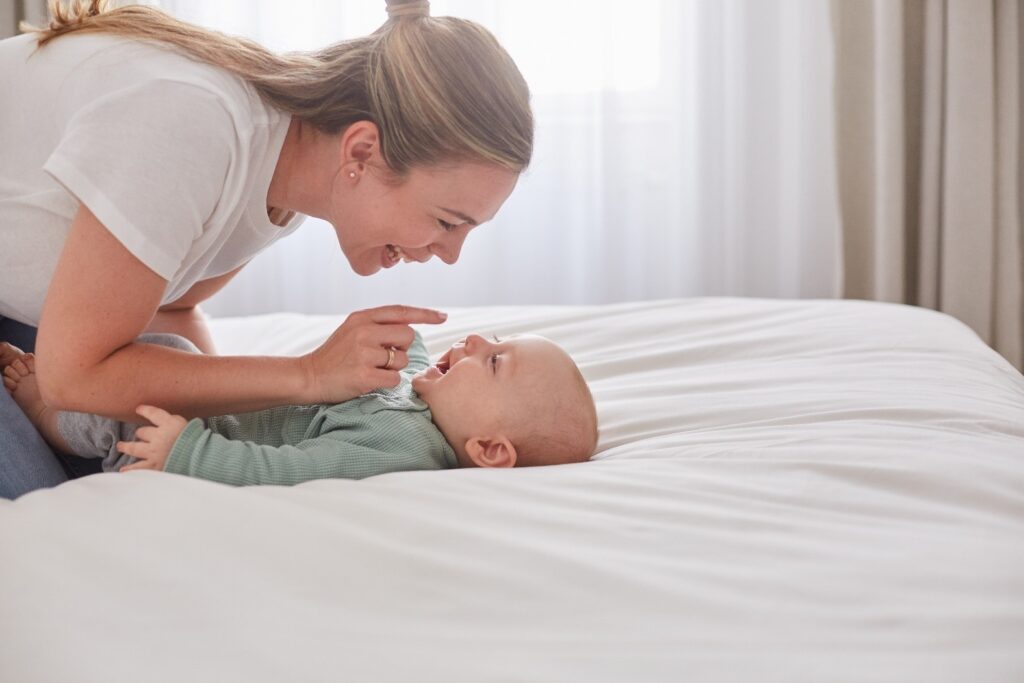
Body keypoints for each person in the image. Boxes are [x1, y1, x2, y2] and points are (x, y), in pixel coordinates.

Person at [0, 0, 533, 498]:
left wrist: (221, 442)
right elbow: (72, 378)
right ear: (362, 151)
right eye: (446, 221)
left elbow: (172, 306)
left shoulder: (285, 184)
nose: (450, 254)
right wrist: (309, 375)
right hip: (62, 357)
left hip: (40, 323)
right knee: (56, 508)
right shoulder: (191, 128)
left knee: (141, 472)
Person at [2, 330, 597, 485]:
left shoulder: (402, 448)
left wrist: (187, 450)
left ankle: (44, 413)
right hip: (213, 406)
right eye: (493, 339)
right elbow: (407, 361)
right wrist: (399, 340)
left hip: (178, 437)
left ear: (489, 449)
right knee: (168, 354)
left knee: (143, 391)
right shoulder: (426, 396)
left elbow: (291, 471)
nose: (475, 344)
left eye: (494, 362)